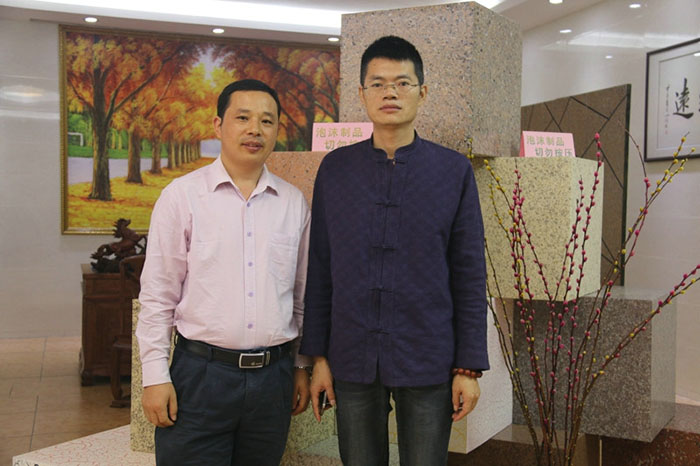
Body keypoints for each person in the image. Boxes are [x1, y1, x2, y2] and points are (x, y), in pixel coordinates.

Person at [300, 36, 489, 466]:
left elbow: (469, 273)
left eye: (403, 83)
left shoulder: (452, 171)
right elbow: (321, 268)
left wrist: (468, 367)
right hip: (351, 356)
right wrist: (319, 358)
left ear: (423, 92)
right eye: (378, 83)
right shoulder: (336, 169)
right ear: (362, 93)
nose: (390, 93)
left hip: (427, 355)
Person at [136, 79, 312, 466]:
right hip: (201, 377)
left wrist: (301, 365)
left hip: (273, 380)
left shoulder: (293, 204)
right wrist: (154, 375)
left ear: (277, 130)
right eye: (243, 118)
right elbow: (158, 295)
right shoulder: (182, 196)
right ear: (218, 125)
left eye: (267, 121)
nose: (255, 130)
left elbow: (301, 297)